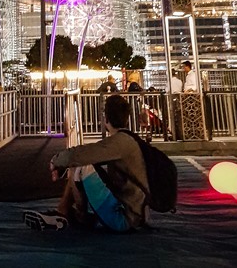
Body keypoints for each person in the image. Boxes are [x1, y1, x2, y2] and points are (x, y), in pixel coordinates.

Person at [24, 94, 148, 232]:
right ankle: (73, 214)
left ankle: (72, 215)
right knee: (82, 164)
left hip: (124, 217)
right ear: (127, 118)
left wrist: (56, 161)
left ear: (105, 118)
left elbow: (83, 154)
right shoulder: (132, 140)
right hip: (137, 212)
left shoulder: (119, 142)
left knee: (80, 165)